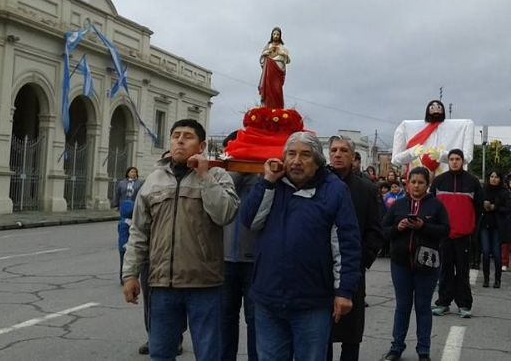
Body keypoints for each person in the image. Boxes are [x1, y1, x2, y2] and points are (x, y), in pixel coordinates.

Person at [121, 119, 239, 359]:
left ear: (202, 145)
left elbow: (225, 214)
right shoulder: (154, 179)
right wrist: (130, 274)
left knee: (209, 355)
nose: (180, 141)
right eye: (176, 136)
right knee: (160, 354)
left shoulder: (218, 176)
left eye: (188, 136)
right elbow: (139, 231)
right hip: (162, 285)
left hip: (205, 285)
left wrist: (204, 176)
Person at [240, 132, 361, 361]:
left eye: (305, 155)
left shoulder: (334, 190)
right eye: (291, 154)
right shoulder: (272, 184)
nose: (296, 161)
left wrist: (344, 291)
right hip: (268, 297)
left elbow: (347, 244)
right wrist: (267, 182)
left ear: (317, 161)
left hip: (312, 302)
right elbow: (250, 220)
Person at [326, 135, 385, 361]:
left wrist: (361, 261)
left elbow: (375, 231)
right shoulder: (320, 184)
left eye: (344, 150)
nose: (338, 154)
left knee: (351, 333)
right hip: (322, 269)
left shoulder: (367, 189)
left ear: (353, 157)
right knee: (323, 332)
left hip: (352, 270)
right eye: (334, 150)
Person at [382, 167, 450, 361]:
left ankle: (423, 350)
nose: (416, 186)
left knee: (423, 307)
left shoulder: (436, 206)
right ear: (407, 184)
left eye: (421, 182)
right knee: (402, 306)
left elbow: (445, 230)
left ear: (427, 185)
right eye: (413, 182)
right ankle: (396, 348)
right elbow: (384, 231)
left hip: (427, 265)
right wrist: (398, 227)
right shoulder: (398, 205)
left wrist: (423, 226)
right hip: (400, 264)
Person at [430, 149, 482, 317]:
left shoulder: (473, 182)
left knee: (462, 271)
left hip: (463, 235)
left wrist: (473, 230)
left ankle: (464, 305)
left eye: (457, 159)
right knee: (444, 270)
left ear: (462, 161)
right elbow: (432, 207)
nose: (454, 162)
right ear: (448, 161)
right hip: (443, 235)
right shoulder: (438, 181)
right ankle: (443, 303)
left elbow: (478, 208)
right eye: (451, 159)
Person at [222, 171, 260, 361]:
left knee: (255, 320)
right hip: (225, 259)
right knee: (225, 318)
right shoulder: (224, 177)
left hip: (255, 262)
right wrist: (235, 172)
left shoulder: (263, 178)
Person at [391, 100, 475, 177]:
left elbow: (467, 157)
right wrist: (412, 152)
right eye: (432, 107)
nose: (435, 110)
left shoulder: (463, 125)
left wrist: (441, 155)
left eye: (438, 107)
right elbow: (396, 159)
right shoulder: (406, 127)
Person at [479, 170, 511, 289]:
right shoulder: (483, 190)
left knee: (497, 254)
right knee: (486, 252)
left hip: (498, 226)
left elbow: (508, 209)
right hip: (485, 225)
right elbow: (477, 205)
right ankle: (486, 279)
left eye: (496, 177)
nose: (494, 179)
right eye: (492, 176)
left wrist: (495, 207)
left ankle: (497, 280)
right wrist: (483, 205)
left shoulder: (504, 192)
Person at [258, 26, 290, 109]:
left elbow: (288, 60)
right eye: (274, 34)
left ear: (280, 36)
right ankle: (268, 107)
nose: (276, 36)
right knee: (268, 88)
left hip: (278, 70)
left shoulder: (283, 47)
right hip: (269, 70)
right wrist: (265, 54)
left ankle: (278, 108)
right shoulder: (268, 46)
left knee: (277, 89)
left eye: (277, 34)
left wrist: (282, 53)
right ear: (272, 35)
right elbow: (262, 59)